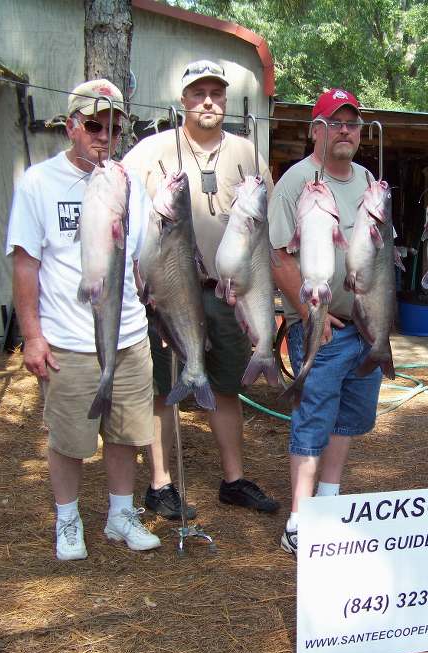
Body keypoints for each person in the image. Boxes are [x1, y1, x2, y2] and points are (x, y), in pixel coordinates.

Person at [7, 79, 160, 560]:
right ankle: (68, 519)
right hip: (69, 341)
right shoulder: (38, 182)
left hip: (129, 335)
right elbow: (25, 263)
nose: (104, 136)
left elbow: (138, 257)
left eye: (115, 127)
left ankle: (120, 515)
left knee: (127, 432)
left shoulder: (126, 181)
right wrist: (32, 337)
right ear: (72, 126)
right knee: (70, 439)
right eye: (95, 125)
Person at [124, 60, 278, 519]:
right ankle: (161, 484)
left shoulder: (248, 154)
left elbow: (264, 232)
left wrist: (264, 303)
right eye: (198, 92)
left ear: (225, 100)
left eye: (216, 92)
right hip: (169, 293)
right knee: (162, 387)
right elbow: (121, 205)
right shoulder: (149, 153)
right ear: (182, 100)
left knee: (226, 386)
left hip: (226, 293)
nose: (208, 100)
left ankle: (233, 480)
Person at [268, 88, 383, 554]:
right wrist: (307, 312)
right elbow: (277, 255)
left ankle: (330, 504)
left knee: (347, 419)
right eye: (335, 122)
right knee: (313, 418)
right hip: (322, 326)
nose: (345, 131)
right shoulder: (295, 182)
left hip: (364, 327)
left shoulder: (367, 180)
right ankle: (298, 520)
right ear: (316, 130)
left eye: (352, 124)